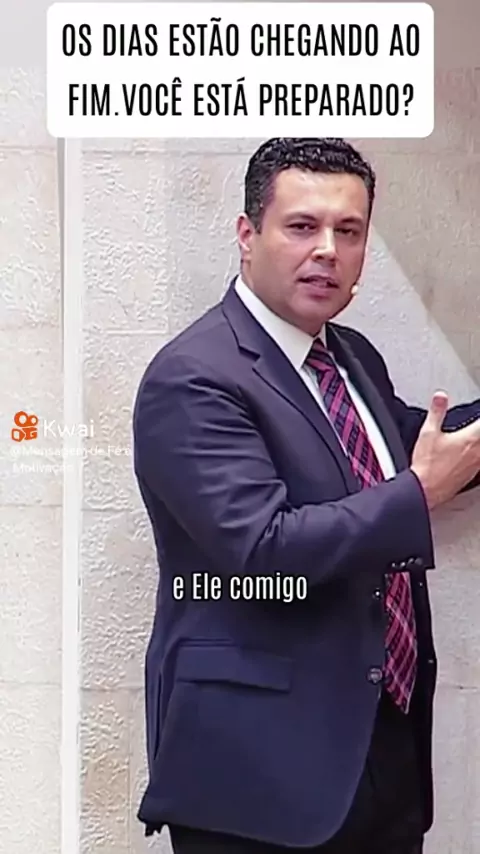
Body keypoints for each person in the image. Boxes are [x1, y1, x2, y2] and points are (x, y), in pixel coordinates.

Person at [132, 137, 480, 854]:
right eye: (301, 226)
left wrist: (437, 468)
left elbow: (419, 446)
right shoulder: (192, 377)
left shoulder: (351, 355)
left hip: (381, 749)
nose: (327, 250)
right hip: (259, 774)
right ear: (247, 234)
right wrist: (419, 494)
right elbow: (263, 548)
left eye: (348, 231)